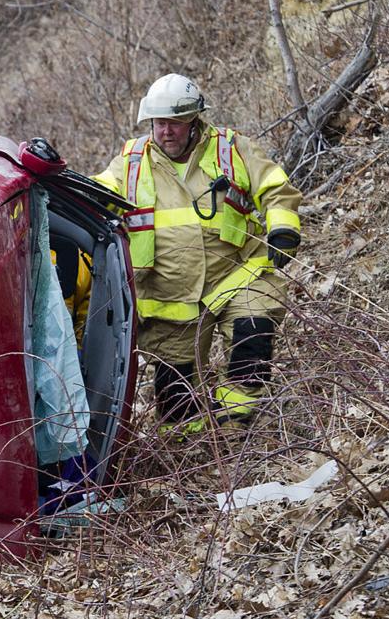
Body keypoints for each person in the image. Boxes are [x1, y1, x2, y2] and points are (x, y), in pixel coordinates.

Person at [96, 74, 302, 432]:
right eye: (159, 123)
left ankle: (234, 428)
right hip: (168, 297)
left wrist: (283, 229)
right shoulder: (130, 163)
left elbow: (274, 188)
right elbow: (97, 194)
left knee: (252, 339)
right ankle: (187, 447)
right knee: (176, 397)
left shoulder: (231, 149)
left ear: (194, 121)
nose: (166, 132)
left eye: (175, 123)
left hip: (238, 274)